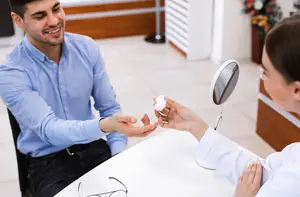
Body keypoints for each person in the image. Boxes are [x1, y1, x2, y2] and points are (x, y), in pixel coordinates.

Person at [0, 0, 160, 196]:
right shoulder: (11, 72)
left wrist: (118, 157)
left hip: (93, 146)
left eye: (56, 9)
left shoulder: (86, 48)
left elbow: (109, 108)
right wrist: (104, 125)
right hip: (48, 163)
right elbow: (49, 129)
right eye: (40, 16)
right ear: (18, 20)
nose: (53, 21)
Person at [154, 15, 300, 197]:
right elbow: (258, 174)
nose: (261, 77)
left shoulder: (294, 180)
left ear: (296, 90)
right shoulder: (294, 157)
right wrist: (195, 126)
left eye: (266, 72)